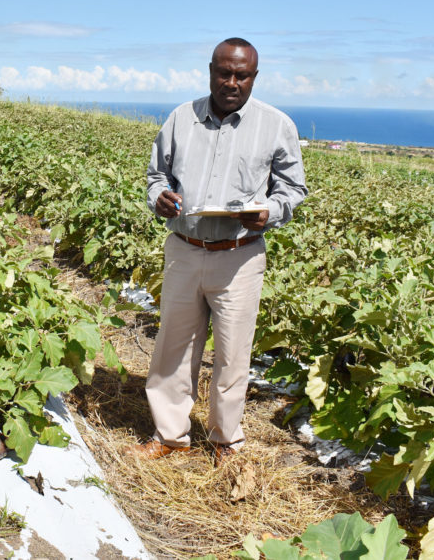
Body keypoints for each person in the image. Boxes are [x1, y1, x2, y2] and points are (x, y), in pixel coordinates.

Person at [131, 38, 307, 467]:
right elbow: (157, 175)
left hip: (239, 256)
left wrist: (269, 212)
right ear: (210, 71)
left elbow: (292, 189)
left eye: (241, 75)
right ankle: (169, 434)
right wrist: (159, 198)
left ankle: (226, 439)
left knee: (233, 353)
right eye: (224, 73)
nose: (231, 83)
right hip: (185, 249)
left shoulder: (276, 125)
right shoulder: (181, 118)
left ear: (254, 78)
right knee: (174, 345)